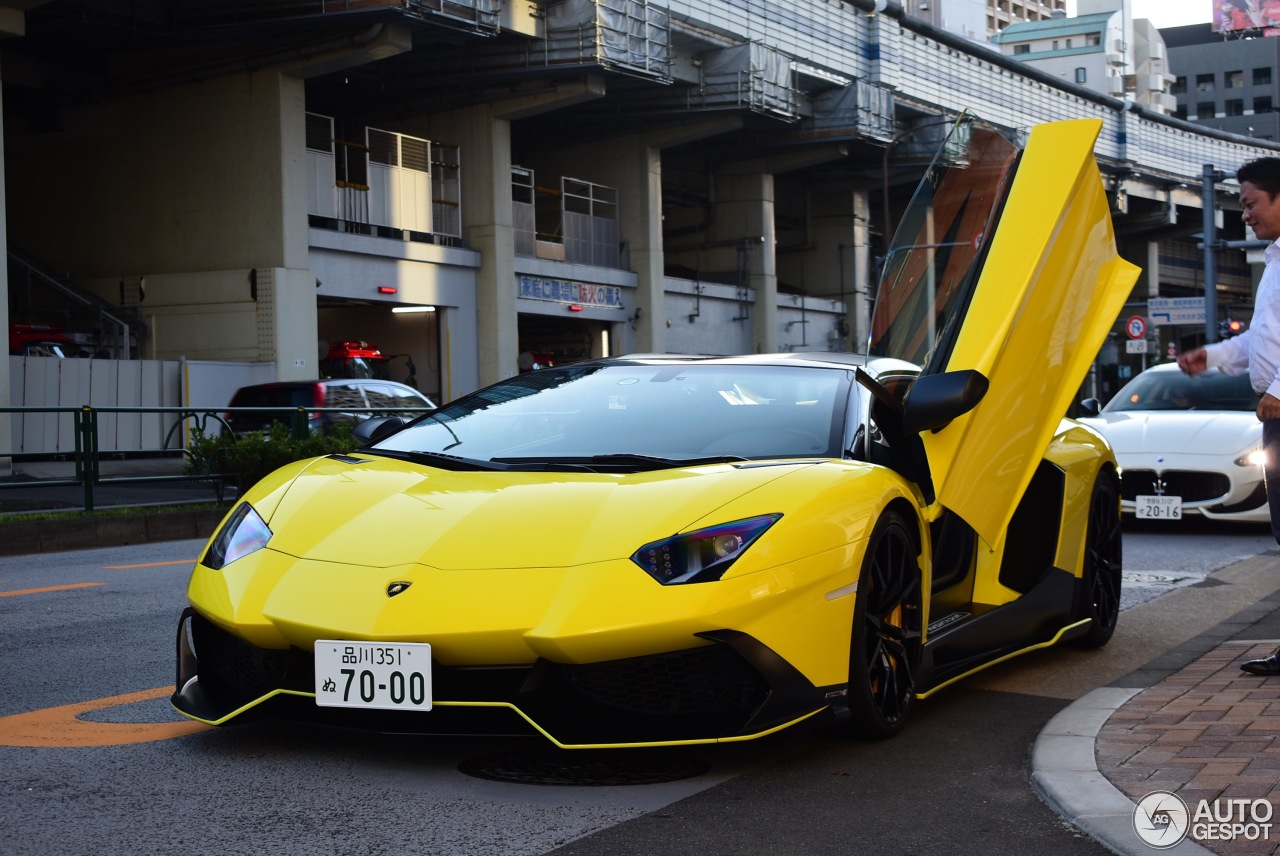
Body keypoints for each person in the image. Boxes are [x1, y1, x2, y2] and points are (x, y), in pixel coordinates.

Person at [1178, 156, 1280, 675]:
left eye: (1250, 203)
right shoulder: (1274, 260)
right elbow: (1262, 342)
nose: (1244, 214)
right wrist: (1213, 356)